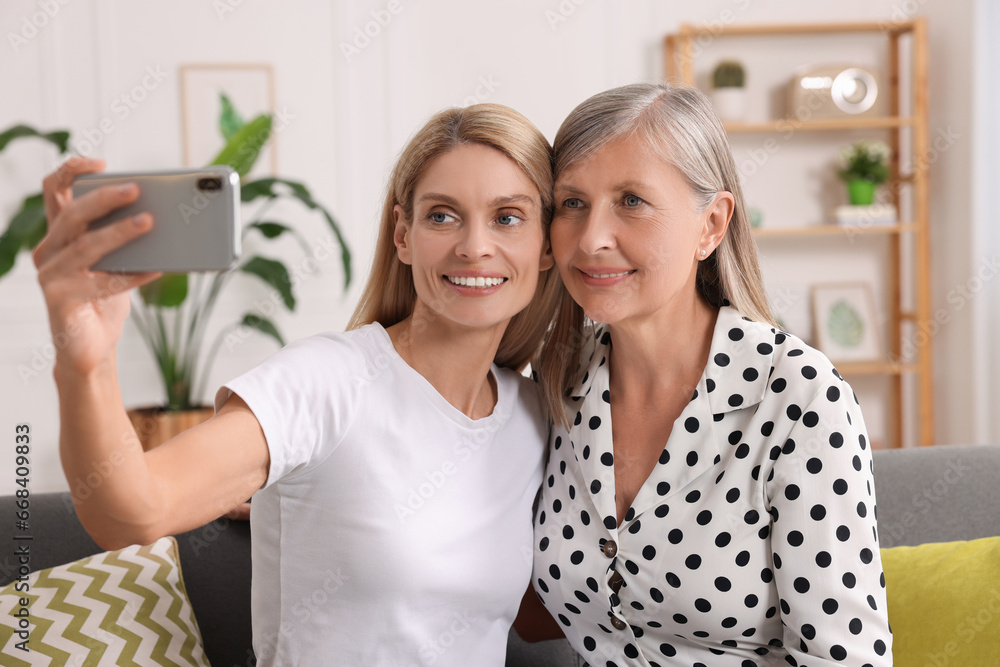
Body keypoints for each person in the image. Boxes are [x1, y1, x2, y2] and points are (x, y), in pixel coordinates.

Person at [34, 103, 562, 666]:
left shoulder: (534, 417)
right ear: (403, 235)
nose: (475, 246)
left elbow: (542, 610)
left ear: (548, 245)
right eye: (442, 216)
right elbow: (130, 513)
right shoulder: (326, 380)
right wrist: (86, 362)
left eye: (508, 217)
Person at [522, 83, 892, 665]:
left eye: (631, 201)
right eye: (572, 203)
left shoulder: (797, 396)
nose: (592, 238)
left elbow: (846, 657)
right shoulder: (557, 383)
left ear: (711, 225)